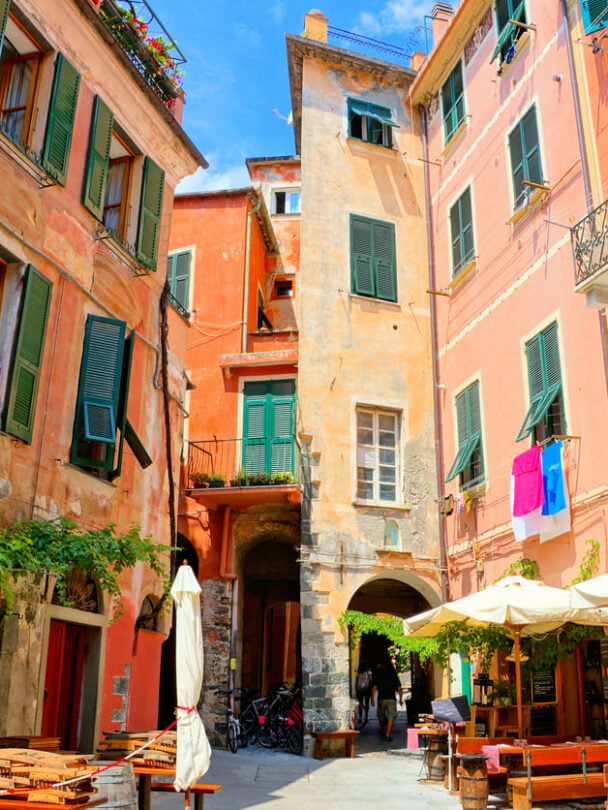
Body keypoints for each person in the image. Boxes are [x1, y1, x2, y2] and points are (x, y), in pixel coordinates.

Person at [370, 655, 403, 742]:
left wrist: (372, 699)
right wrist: (400, 699)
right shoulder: (392, 671)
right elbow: (399, 687)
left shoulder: (379, 671)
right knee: (391, 715)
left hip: (381, 697)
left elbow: (374, 687)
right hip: (391, 697)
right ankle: (387, 734)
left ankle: (383, 730)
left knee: (381, 715)